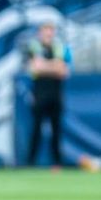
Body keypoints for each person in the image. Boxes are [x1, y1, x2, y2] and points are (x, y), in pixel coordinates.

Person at [23, 21, 71, 168]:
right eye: (45, 30)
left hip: (56, 95)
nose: (48, 34)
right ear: (40, 33)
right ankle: (30, 163)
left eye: (51, 31)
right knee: (36, 129)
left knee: (56, 130)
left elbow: (64, 71)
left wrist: (44, 65)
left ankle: (57, 163)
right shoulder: (33, 48)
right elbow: (34, 69)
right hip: (39, 95)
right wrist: (54, 65)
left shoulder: (60, 48)